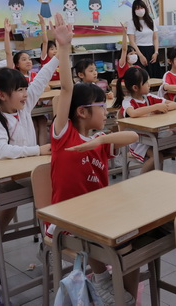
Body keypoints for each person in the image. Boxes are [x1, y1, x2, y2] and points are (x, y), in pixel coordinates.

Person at [48, 18, 138, 304]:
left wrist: (100, 141)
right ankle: (103, 282)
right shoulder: (64, 135)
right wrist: (64, 48)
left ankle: (119, 290)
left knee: (133, 241)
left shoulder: (99, 140)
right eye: (101, 106)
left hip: (97, 213)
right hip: (67, 218)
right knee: (114, 240)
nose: (106, 110)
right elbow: (66, 90)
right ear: (83, 112)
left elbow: (133, 136)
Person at [0, 14, 62, 251]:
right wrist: (37, 150)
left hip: (28, 173)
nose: (26, 94)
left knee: (56, 182)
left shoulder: (23, 108)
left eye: (26, 88)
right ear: (3, 95)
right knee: (43, 190)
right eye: (20, 90)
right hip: (8, 178)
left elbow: (43, 76)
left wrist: (62, 50)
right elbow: (1, 151)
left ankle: (53, 239)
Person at [113, 67, 176, 175]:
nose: (149, 85)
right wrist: (155, 107)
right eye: (146, 83)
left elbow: (174, 104)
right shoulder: (128, 101)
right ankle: (142, 181)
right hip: (138, 141)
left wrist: (162, 108)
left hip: (155, 135)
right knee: (157, 156)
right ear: (135, 87)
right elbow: (133, 113)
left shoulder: (149, 97)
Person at [126, 0, 161, 78]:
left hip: (151, 51)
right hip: (139, 50)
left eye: (141, 8)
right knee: (141, 76)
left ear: (145, 8)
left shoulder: (151, 21)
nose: (140, 10)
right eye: (137, 8)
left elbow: (155, 38)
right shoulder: (131, 22)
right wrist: (140, 56)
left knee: (154, 75)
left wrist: (156, 52)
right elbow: (132, 42)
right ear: (134, 11)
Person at [40, 14, 59, 82]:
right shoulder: (45, 59)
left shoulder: (57, 59)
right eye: (52, 49)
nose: (55, 51)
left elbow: (58, 41)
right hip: (47, 84)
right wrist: (43, 25)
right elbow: (45, 42)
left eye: (55, 49)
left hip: (58, 84)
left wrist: (57, 28)